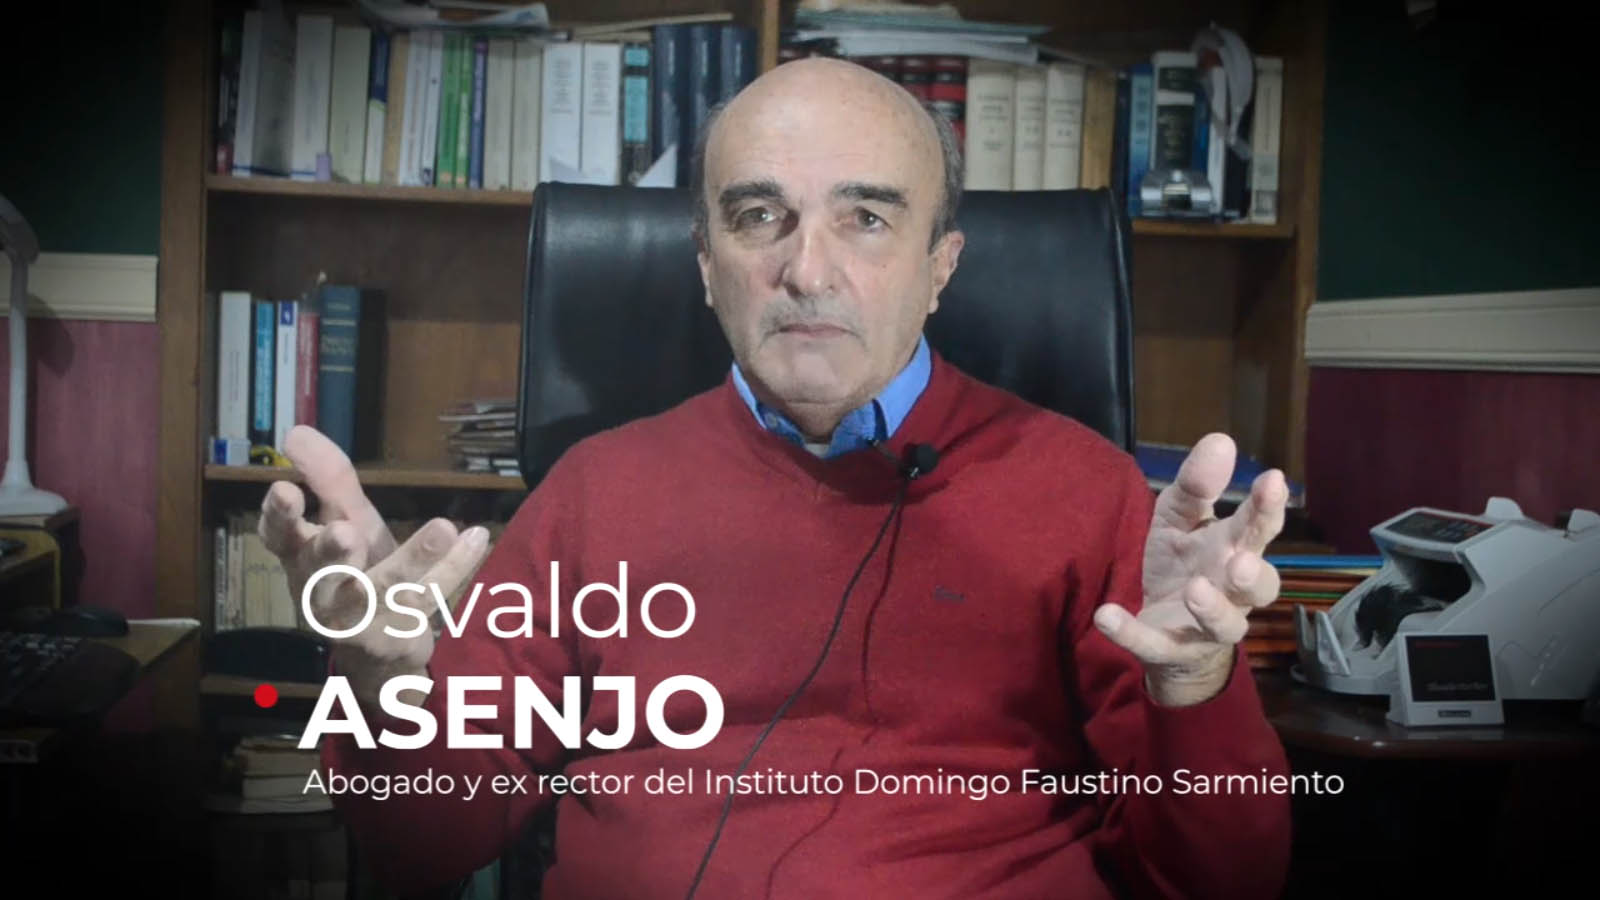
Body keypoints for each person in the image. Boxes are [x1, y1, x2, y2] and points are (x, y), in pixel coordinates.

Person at [261, 58, 1293, 899]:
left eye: (867, 218)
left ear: (940, 266)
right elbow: (424, 846)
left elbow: (1224, 882)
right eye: (759, 215)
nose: (806, 271)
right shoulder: (591, 493)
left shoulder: (1086, 492)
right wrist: (382, 692)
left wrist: (1195, 689)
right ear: (705, 264)